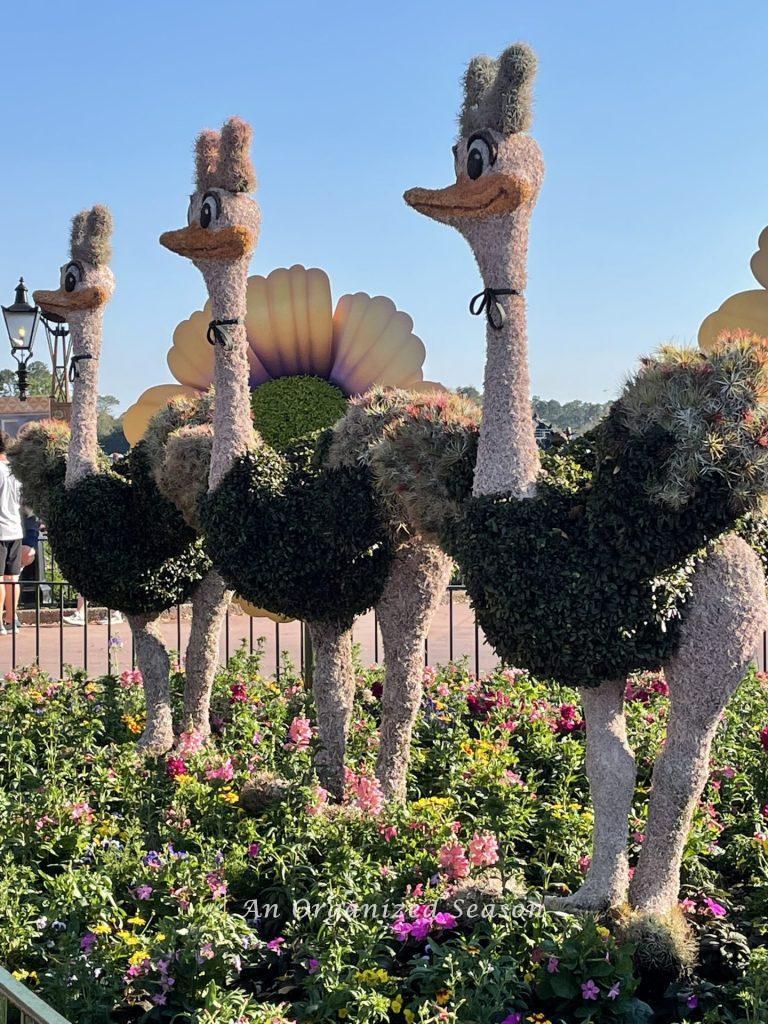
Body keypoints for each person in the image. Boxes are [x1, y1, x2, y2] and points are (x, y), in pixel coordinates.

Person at [0, 429, 34, 634]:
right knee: (12, 577)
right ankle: (13, 620)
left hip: (1, 530)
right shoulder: (15, 471)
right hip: (15, 529)